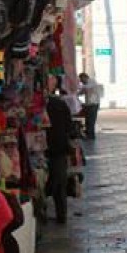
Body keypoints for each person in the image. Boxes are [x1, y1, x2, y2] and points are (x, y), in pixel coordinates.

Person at [45, 74, 74, 224]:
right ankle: (61, 214)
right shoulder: (59, 104)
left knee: (46, 182)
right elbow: (69, 126)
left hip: (48, 148)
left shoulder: (52, 104)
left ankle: (42, 213)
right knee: (59, 183)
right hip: (59, 147)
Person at [77, 73, 102, 139]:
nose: (81, 82)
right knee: (88, 120)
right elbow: (82, 91)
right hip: (89, 104)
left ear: (85, 77)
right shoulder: (86, 84)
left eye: (82, 80)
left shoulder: (92, 81)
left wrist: (77, 89)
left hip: (93, 104)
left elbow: (86, 89)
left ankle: (91, 136)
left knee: (91, 121)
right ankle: (88, 134)